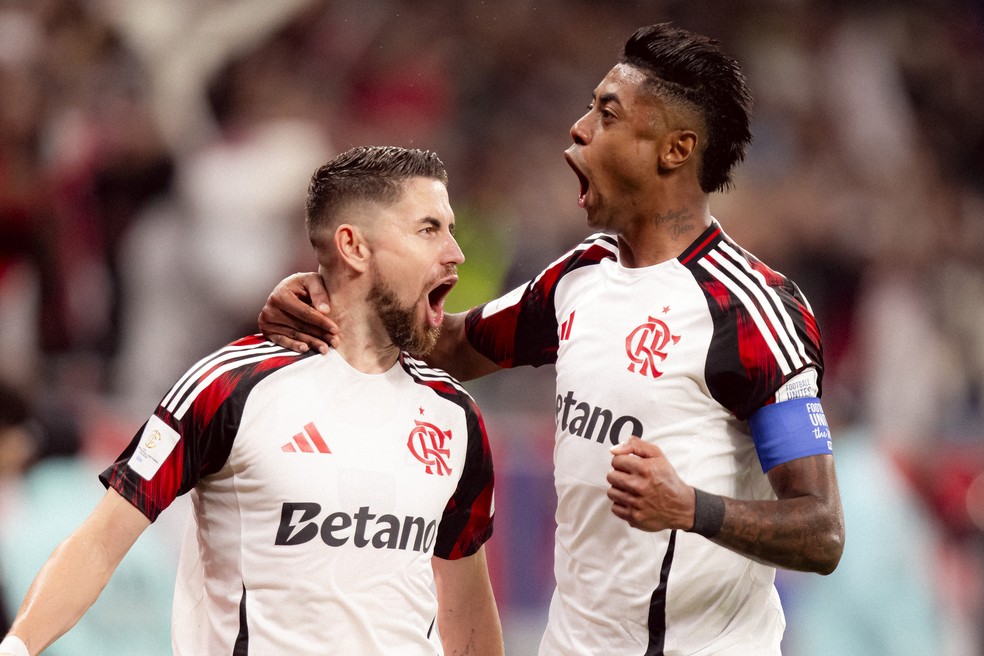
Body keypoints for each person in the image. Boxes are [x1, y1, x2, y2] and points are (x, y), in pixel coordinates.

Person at [258, 23, 845, 655]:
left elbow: (821, 531)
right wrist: (340, 292)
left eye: (607, 114)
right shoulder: (581, 273)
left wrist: (690, 508)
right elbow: (446, 345)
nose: (579, 128)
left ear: (674, 150)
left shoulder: (753, 311)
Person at [0, 146, 503, 656]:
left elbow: (466, 607)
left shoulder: (454, 414)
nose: (455, 252)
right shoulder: (229, 387)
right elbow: (99, 544)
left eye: (450, 228)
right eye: (428, 229)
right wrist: (16, 649)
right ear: (353, 247)